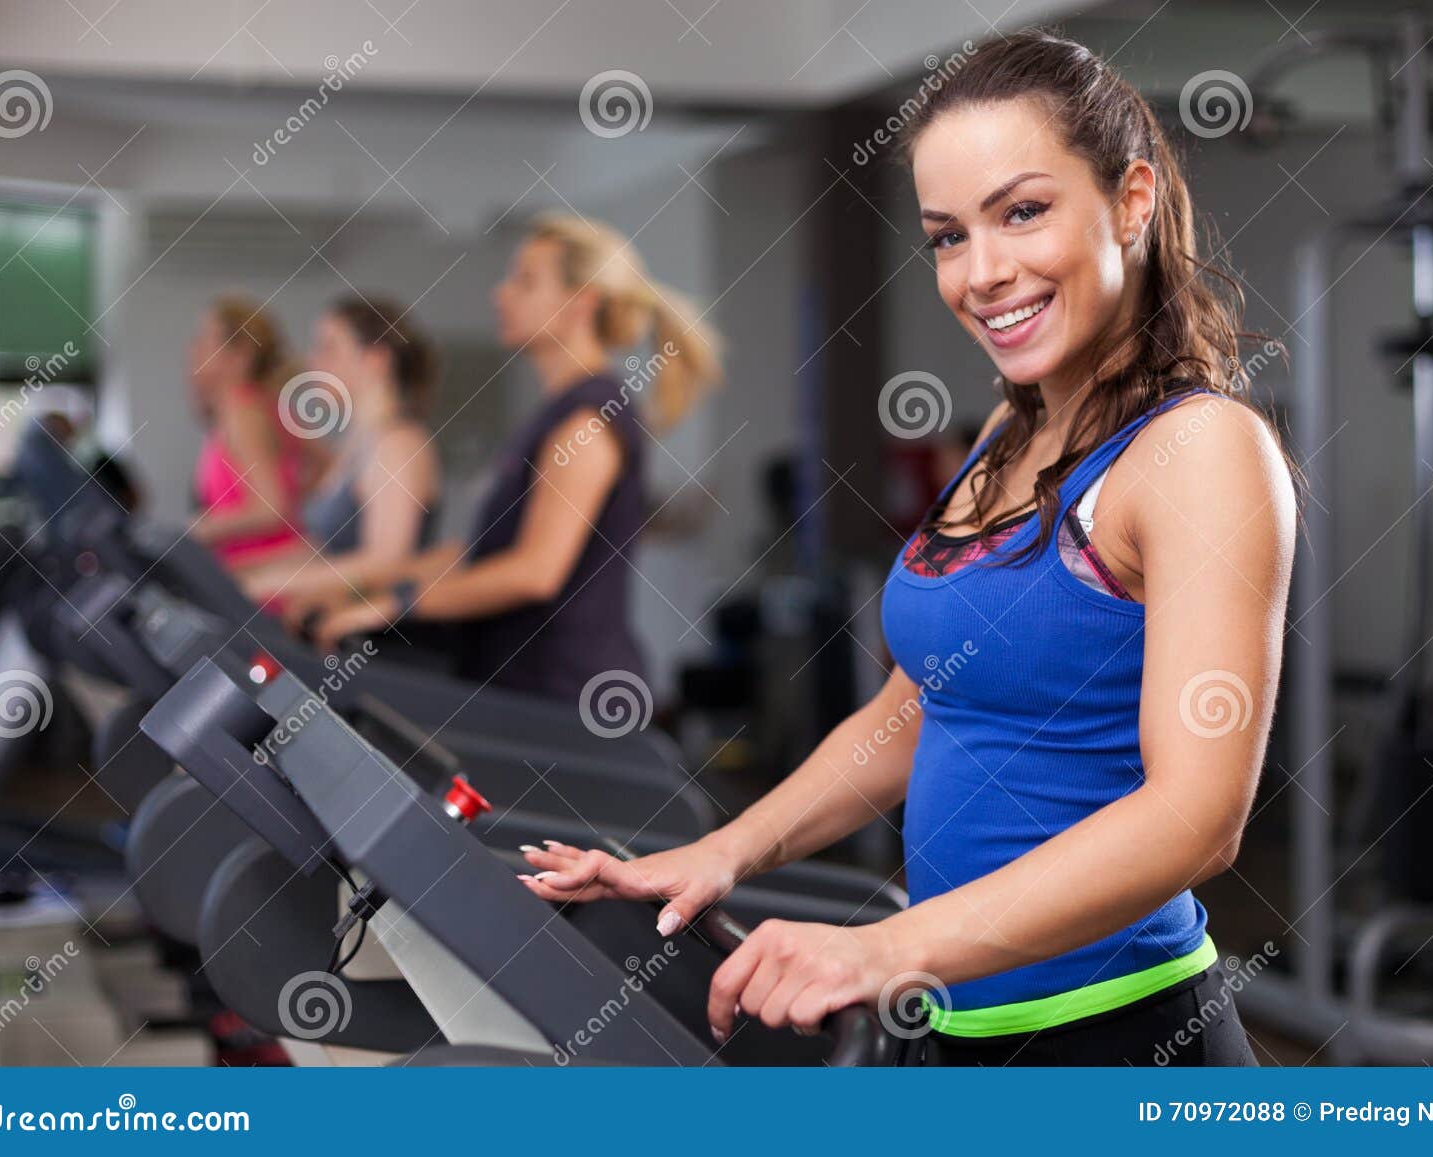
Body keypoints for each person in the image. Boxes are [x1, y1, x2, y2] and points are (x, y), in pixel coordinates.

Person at [516, 28, 1298, 1067]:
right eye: (946, 235)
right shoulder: (1003, 435)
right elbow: (914, 708)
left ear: (1130, 201)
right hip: (957, 1026)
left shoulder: (1198, 450)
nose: (983, 272)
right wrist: (715, 854)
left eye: (1023, 212)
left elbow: (1197, 817)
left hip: (1121, 1038)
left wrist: (883, 947)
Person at [305, 212, 722, 703]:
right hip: (506, 677)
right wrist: (371, 590)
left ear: (578, 305)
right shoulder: (553, 415)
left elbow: (533, 571)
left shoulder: (587, 422)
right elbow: (479, 550)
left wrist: (396, 604)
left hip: (559, 696)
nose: (500, 294)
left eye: (525, 281)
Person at [239, 296, 442, 608]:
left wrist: (268, 582)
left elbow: (386, 563)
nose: (313, 363)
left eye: (328, 348)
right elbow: (324, 551)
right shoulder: (356, 445)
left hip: (381, 642)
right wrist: (239, 573)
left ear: (376, 360)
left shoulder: (399, 444)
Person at [185, 295, 308, 572]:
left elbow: (272, 509)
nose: (194, 350)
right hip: (261, 568)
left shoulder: (241, 410)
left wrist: (199, 530)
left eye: (206, 341)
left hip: (265, 573)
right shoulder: (263, 404)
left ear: (240, 356)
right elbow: (320, 468)